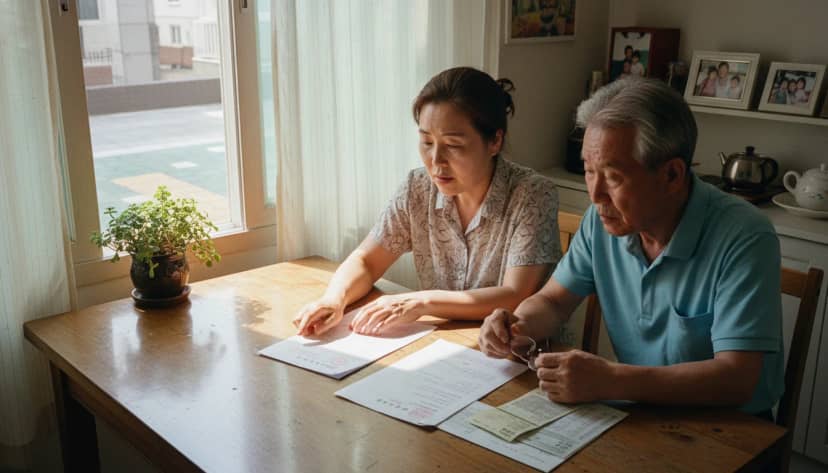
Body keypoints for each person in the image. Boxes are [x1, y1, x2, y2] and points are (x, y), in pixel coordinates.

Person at [478, 77, 784, 418]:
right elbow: (553, 301)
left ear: (671, 175)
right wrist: (517, 326)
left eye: (613, 177)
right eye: (588, 171)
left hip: (729, 429)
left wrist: (611, 380)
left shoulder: (745, 236)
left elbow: (736, 378)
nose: (595, 195)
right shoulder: (603, 221)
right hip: (639, 411)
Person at [293, 67, 561, 337]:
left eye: (453, 145)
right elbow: (367, 260)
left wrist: (421, 302)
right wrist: (334, 299)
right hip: (444, 341)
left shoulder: (533, 194)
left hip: (518, 353)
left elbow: (514, 296)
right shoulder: (418, 188)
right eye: (426, 142)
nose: (436, 161)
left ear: (494, 141)